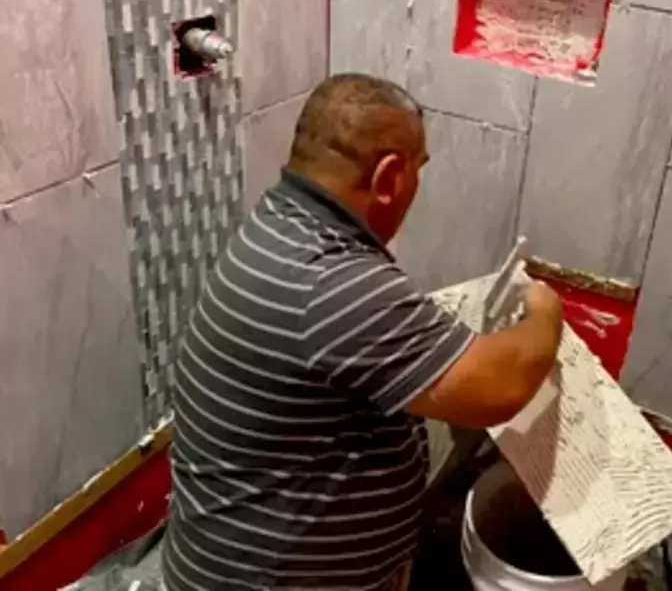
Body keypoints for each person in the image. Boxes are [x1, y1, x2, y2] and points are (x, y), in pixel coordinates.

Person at [161, 73, 564, 591]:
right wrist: (543, 313)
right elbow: (499, 389)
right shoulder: (329, 279)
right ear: (390, 176)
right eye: (420, 170)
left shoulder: (281, 226)